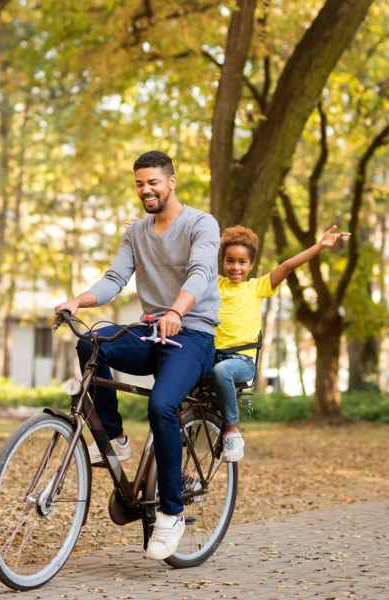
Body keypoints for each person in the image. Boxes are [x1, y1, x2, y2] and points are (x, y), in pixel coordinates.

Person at [54, 150, 219, 561]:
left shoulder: (201, 224)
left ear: (171, 181)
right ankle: (114, 437)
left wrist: (178, 310)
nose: (146, 190)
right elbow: (115, 279)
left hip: (193, 334)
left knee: (162, 405)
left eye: (153, 182)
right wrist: (78, 301)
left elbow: (200, 273)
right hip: (151, 332)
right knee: (91, 342)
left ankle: (172, 513)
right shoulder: (136, 233)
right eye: (139, 184)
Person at [214, 224, 350, 462]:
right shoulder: (213, 283)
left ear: (251, 265)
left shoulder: (256, 287)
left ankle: (232, 430)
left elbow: (287, 266)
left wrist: (319, 246)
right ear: (223, 261)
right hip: (212, 355)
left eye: (242, 262)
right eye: (230, 261)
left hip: (240, 361)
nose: (235, 267)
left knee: (221, 371)